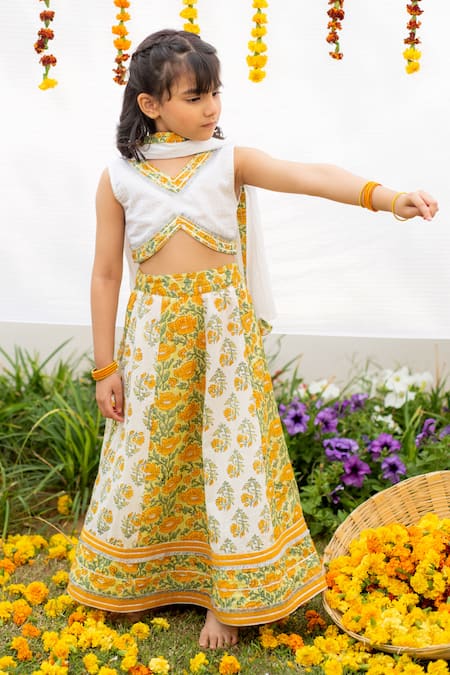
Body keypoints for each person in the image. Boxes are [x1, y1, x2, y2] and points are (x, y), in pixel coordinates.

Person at [67, 29, 438, 649]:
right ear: (151, 104)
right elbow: (106, 273)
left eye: (215, 93)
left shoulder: (227, 158)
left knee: (230, 460)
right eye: (194, 97)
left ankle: (230, 601)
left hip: (224, 343)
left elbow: (306, 175)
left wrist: (387, 198)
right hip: (154, 342)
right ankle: (138, 581)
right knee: (144, 459)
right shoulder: (119, 178)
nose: (212, 108)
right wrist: (106, 368)